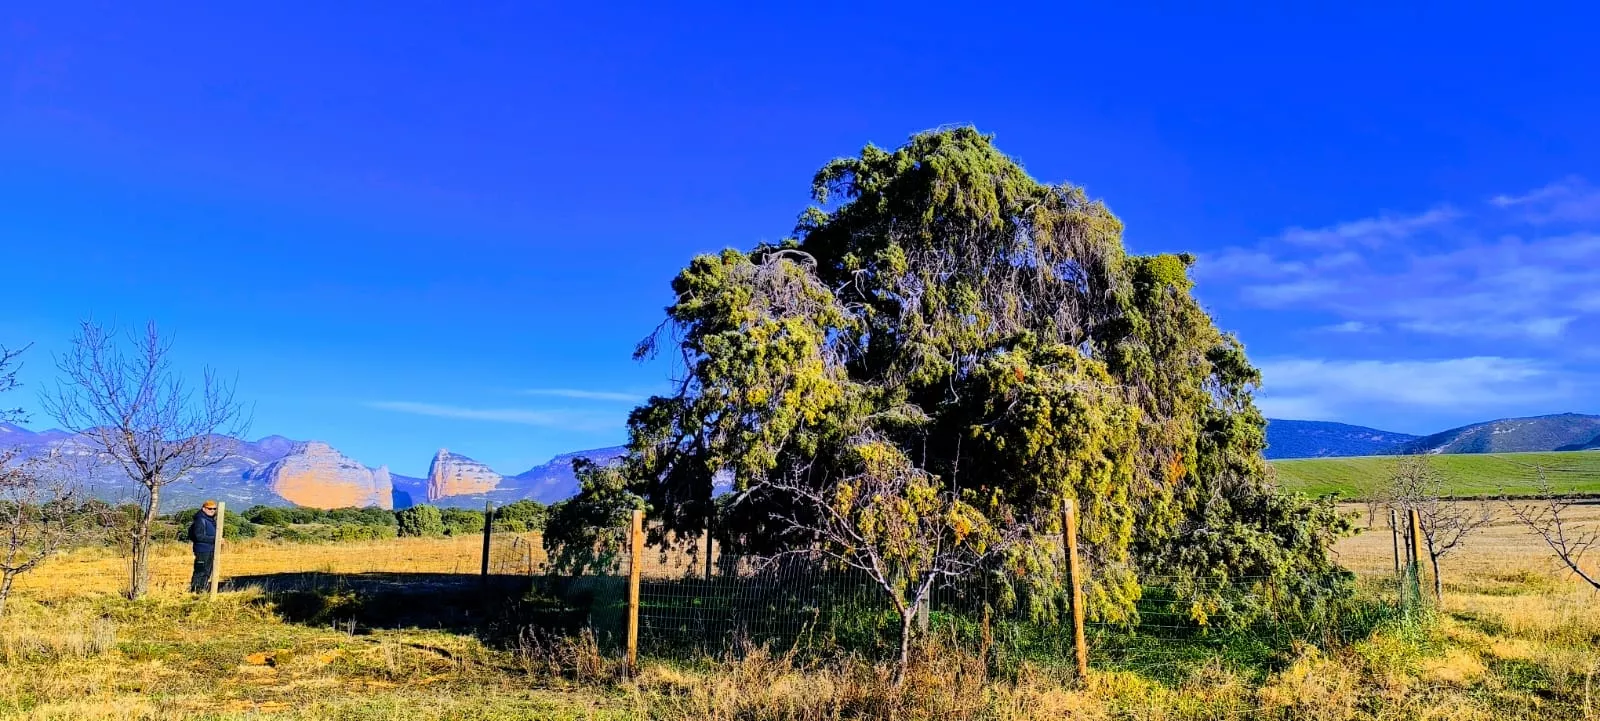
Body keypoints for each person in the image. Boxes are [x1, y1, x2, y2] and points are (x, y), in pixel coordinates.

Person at [188, 500, 219, 593]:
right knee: (200, 571)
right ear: (204, 509)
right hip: (202, 550)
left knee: (207, 571)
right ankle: (195, 591)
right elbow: (199, 536)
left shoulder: (210, 519)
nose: (212, 510)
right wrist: (215, 539)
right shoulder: (200, 520)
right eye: (210, 508)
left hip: (210, 549)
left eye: (214, 508)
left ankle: (202, 590)